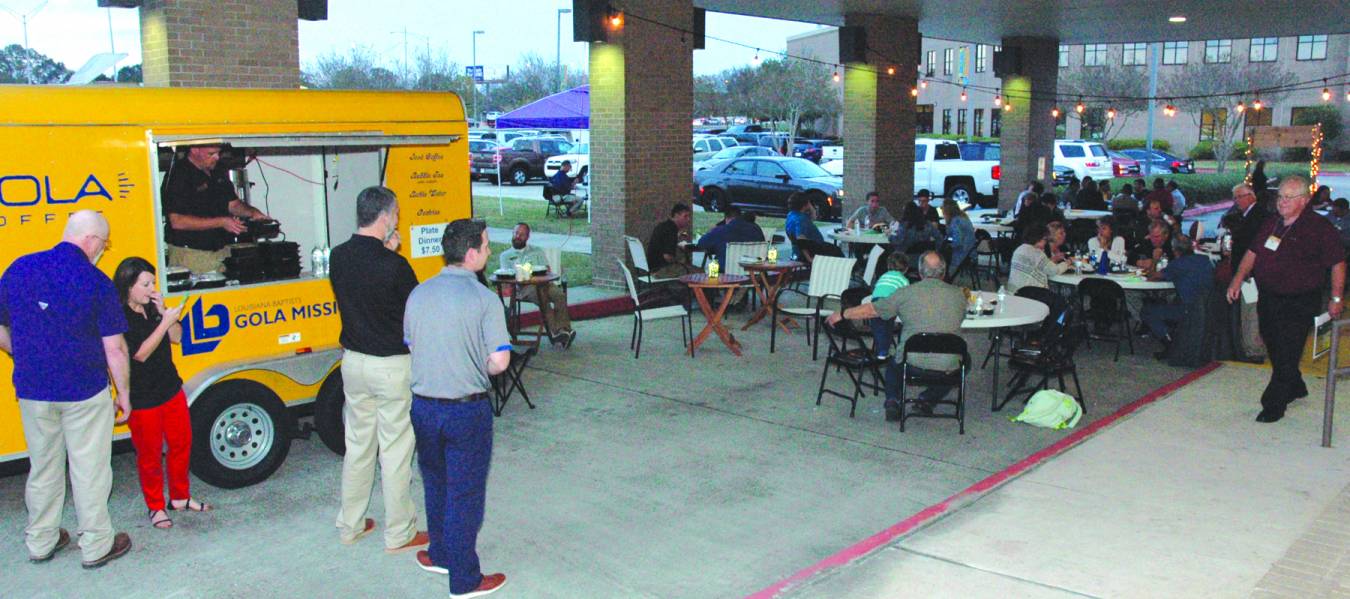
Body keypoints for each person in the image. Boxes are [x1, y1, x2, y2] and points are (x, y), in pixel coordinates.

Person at [0, 210, 132, 568]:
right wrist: (124, 394)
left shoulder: (19, 268)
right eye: (103, 244)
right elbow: (115, 349)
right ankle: (96, 545)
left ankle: (41, 540)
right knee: (89, 469)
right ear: (92, 240)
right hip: (84, 391)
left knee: (43, 466)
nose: (102, 250)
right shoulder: (96, 281)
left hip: (32, 390)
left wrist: (20, 353)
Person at [404, 218, 509, 596]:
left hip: (423, 408)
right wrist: (476, 362)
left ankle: (441, 554)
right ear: (471, 254)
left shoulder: (418, 294)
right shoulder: (485, 300)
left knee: (436, 484)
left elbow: (413, 346)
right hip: (466, 411)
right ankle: (464, 579)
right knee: (465, 494)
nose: (489, 251)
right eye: (486, 245)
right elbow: (499, 362)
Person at [327, 186, 429, 554]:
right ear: (385, 217)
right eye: (396, 214)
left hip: (353, 362)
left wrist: (386, 250)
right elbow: (415, 312)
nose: (398, 220)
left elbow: (364, 277)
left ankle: (350, 524)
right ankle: (399, 531)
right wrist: (392, 254)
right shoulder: (395, 266)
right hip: (391, 366)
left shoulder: (338, 256)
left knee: (358, 446)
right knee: (396, 451)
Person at [1226, 176, 1346, 423]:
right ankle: (1296, 384)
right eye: (1280, 196)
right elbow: (1253, 252)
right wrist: (1237, 278)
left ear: (1304, 200)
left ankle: (1274, 403)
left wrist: (1336, 297)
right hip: (1269, 296)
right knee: (1274, 343)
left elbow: (1337, 263)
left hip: (1300, 300)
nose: (1282, 202)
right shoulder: (1272, 222)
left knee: (1288, 348)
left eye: (1289, 197)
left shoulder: (1318, 227)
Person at [113, 257, 210, 531]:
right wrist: (163, 323)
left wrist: (165, 312)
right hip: (143, 397)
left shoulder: (154, 310)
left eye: (153, 283)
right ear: (129, 286)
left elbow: (177, 337)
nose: (151, 289)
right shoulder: (120, 316)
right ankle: (155, 506)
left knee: (181, 444)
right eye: (145, 284)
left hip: (170, 388)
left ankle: (180, 497)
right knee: (150, 455)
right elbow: (140, 354)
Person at [827, 251, 966, 422]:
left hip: (912, 361)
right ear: (943, 272)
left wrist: (843, 313)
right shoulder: (959, 295)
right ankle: (927, 400)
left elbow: (873, 310)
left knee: (894, 361)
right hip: (949, 363)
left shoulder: (906, 293)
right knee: (965, 362)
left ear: (920, 272)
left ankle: (893, 401)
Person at [162, 145, 271, 274]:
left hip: (222, 250)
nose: (217, 157)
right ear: (195, 149)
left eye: (218, 153)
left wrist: (252, 212)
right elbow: (177, 221)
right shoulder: (178, 174)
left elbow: (233, 204)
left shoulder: (218, 169)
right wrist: (221, 222)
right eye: (211, 154)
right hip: (191, 254)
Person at [499, 223, 575, 347]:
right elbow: (506, 277)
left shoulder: (537, 251)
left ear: (527, 237)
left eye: (522, 234)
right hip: (524, 288)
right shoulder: (505, 256)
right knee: (542, 298)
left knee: (559, 295)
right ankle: (556, 332)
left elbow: (547, 270)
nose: (518, 236)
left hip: (544, 284)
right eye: (516, 233)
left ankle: (564, 330)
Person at [1141, 235, 1215, 356]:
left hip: (1188, 309)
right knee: (1170, 301)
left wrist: (1155, 259)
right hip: (1208, 306)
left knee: (1148, 311)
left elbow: (1151, 277)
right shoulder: (1204, 260)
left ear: (1174, 250)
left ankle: (1170, 343)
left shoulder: (1177, 264)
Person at [866, 252, 911, 361]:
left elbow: (876, 289)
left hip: (875, 302)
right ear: (906, 268)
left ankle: (879, 350)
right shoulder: (903, 280)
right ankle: (883, 352)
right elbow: (906, 295)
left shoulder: (883, 276)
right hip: (889, 302)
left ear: (888, 265)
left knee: (878, 327)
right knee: (887, 327)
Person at [1007, 224, 1069, 293]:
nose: (1046, 242)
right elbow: (1054, 271)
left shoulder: (1020, 249)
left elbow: (1038, 265)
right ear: (1039, 238)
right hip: (1030, 293)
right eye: (1045, 239)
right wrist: (1068, 262)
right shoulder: (1036, 252)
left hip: (1013, 292)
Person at [696, 206, 764, 267]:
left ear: (726, 218)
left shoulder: (721, 230)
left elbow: (701, 244)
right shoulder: (756, 229)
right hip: (754, 272)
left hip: (726, 273)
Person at [646, 203, 699, 278]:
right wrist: (680, 261)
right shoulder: (671, 230)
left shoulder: (663, 226)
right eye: (685, 216)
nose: (688, 219)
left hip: (653, 267)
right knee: (699, 272)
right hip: (661, 270)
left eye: (689, 216)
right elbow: (667, 257)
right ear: (676, 215)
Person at [1228, 183, 1269, 264]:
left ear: (1251, 196)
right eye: (1235, 198)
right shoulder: (1247, 213)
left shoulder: (1259, 215)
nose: (1236, 201)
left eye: (1240, 197)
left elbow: (1251, 242)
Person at [784, 192, 825, 259]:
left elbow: (813, 218)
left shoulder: (791, 215)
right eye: (809, 203)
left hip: (797, 252)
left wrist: (810, 207)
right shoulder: (801, 219)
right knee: (837, 251)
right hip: (813, 253)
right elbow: (801, 240)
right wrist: (809, 259)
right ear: (805, 204)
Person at [943, 199, 976, 272]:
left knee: (943, 252)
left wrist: (948, 245)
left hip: (962, 253)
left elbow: (957, 241)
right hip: (971, 252)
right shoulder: (963, 217)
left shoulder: (955, 221)